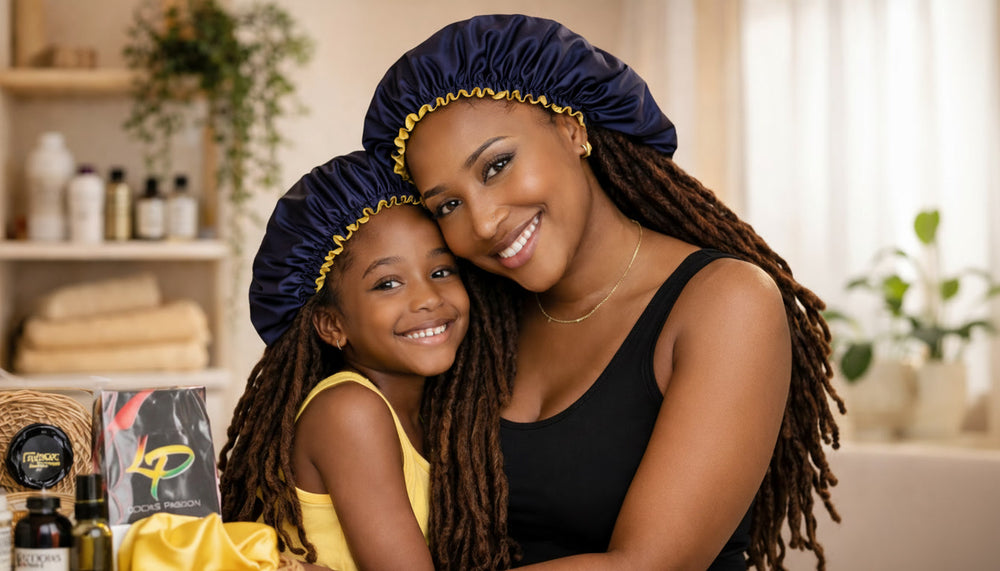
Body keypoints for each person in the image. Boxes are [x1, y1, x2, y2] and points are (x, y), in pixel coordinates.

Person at [362, 14, 844, 571]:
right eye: (448, 205)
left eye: (496, 165)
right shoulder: (473, 322)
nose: (485, 221)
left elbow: (648, 564)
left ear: (572, 130)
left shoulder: (726, 302)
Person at [217, 151, 515, 570]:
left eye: (442, 271)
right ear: (332, 325)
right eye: (388, 283)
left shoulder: (437, 415)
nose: (428, 298)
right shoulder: (350, 411)